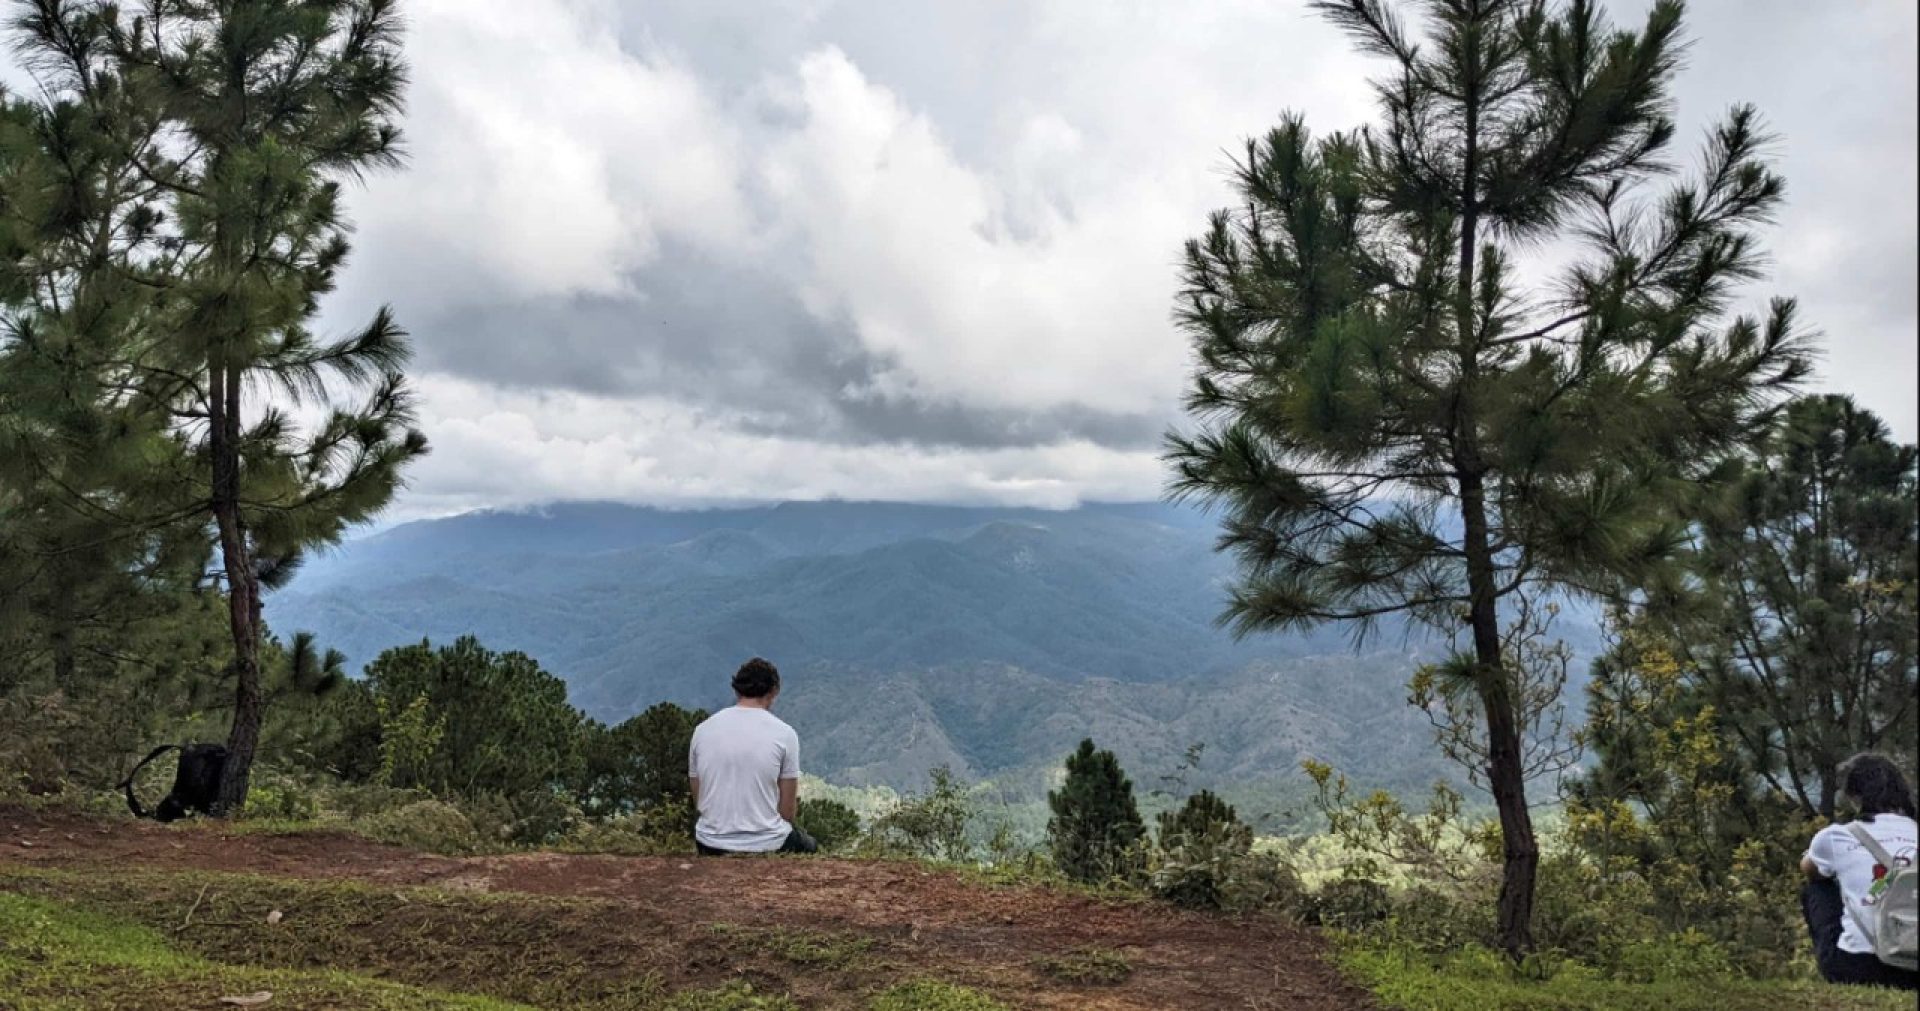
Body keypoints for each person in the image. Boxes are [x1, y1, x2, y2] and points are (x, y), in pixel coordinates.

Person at [1801, 753, 1919, 990]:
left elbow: (1809, 870)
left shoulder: (1838, 836)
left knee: (1816, 887)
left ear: (1854, 795)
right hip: (1914, 970)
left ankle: (1847, 948)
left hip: (1856, 967)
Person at [688, 657, 817, 856]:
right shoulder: (785, 734)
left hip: (710, 842)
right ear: (774, 691)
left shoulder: (702, 730)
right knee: (810, 846)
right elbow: (787, 811)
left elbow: (700, 798)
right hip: (769, 842)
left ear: (737, 689)